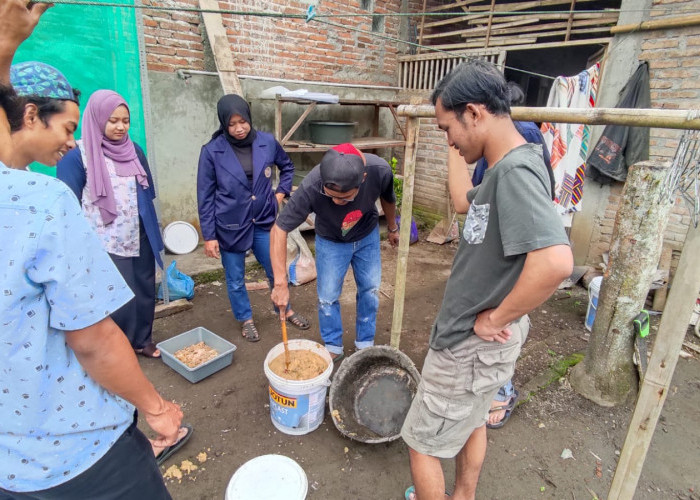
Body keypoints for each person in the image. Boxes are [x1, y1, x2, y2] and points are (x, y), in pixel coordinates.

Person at [0, 9, 185, 497]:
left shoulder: (37, 191)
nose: (70, 138)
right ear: (30, 114)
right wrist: (156, 407)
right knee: (111, 319)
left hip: (11, 461)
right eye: (67, 127)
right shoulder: (42, 197)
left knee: (138, 297)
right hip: (74, 445)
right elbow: (92, 339)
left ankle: (142, 339)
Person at [400, 60, 573, 500]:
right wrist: (452, 146)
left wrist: (495, 317)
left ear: (474, 113)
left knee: (421, 444)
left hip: (469, 347)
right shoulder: (502, 168)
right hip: (480, 354)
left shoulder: (514, 173)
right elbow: (463, 201)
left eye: (447, 129)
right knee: (473, 419)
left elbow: (555, 263)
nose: (449, 139)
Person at [472, 81, 556, 430]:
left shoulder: (522, 137)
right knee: (493, 314)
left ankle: (501, 392)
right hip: (498, 228)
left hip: (511, 235)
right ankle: (493, 384)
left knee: (503, 323)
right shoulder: (514, 139)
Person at [57, 89, 165, 359]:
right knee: (116, 298)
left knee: (144, 290)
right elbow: (68, 203)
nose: (120, 127)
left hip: (137, 232)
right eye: (113, 120)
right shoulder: (77, 156)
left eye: (125, 121)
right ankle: (120, 351)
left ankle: (143, 340)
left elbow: (146, 189)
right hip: (103, 239)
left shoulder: (134, 150)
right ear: (97, 118)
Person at [270, 143, 399, 362]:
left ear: (363, 178)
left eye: (345, 198)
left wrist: (393, 227)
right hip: (330, 240)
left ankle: (365, 343)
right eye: (330, 197)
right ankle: (333, 345)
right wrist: (280, 283)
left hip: (367, 236)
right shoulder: (312, 184)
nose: (337, 202)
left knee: (370, 289)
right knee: (327, 297)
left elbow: (388, 198)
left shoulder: (380, 170)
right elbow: (279, 229)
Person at [197, 94, 309, 342]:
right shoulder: (212, 152)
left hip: (263, 220)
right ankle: (245, 319)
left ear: (249, 118)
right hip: (230, 224)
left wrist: (280, 193)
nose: (238, 129)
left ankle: (285, 308)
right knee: (235, 278)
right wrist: (209, 236)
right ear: (224, 124)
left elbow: (287, 167)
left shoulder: (267, 142)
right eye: (232, 124)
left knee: (275, 269)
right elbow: (204, 196)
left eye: (242, 122)